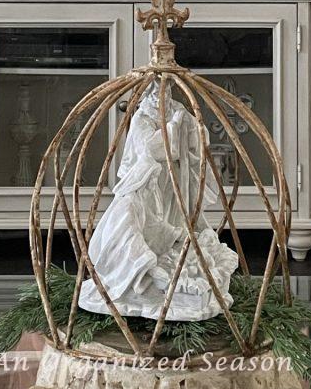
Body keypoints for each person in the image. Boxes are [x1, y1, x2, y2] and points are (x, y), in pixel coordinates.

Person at [78, 83, 238, 322]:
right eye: (155, 93)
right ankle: (138, 282)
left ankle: (165, 277)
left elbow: (195, 137)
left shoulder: (177, 112)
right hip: (145, 241)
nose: (160, 96)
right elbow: (154, 148)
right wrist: (174, 126)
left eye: (164, 92)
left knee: (179, 223)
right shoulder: (133, 198)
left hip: (170, 186)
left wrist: (188, 127)